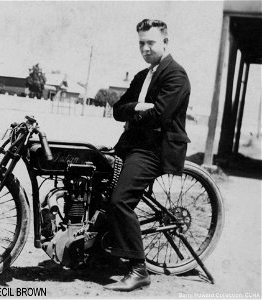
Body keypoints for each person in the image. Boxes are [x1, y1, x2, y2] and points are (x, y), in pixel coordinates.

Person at [104, 19, 191, 292]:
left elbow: (160, 115)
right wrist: (139, 106)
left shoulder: (176, 75)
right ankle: (102, 249)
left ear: (165, 42)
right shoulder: (143, 76)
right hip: (132, 143)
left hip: (155, 148)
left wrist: (139, 111)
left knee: (120, 200)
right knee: (93, 175)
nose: (145, 48)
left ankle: (138, 269)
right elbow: (118, 109)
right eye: (141, 43)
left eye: (150, 42)